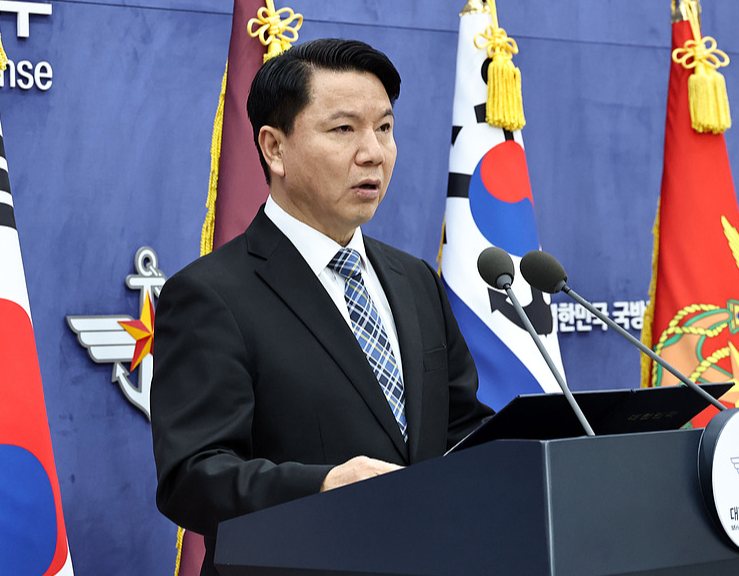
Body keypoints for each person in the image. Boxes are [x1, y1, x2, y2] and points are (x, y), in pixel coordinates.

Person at [151, 38, 493, 575]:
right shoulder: (210, 295)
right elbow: (191, 477)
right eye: (343, 130)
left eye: (384, 128)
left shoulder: (415, 280)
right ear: (274, 148)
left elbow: (460, 429)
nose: (373, 152)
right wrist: (323, 485)